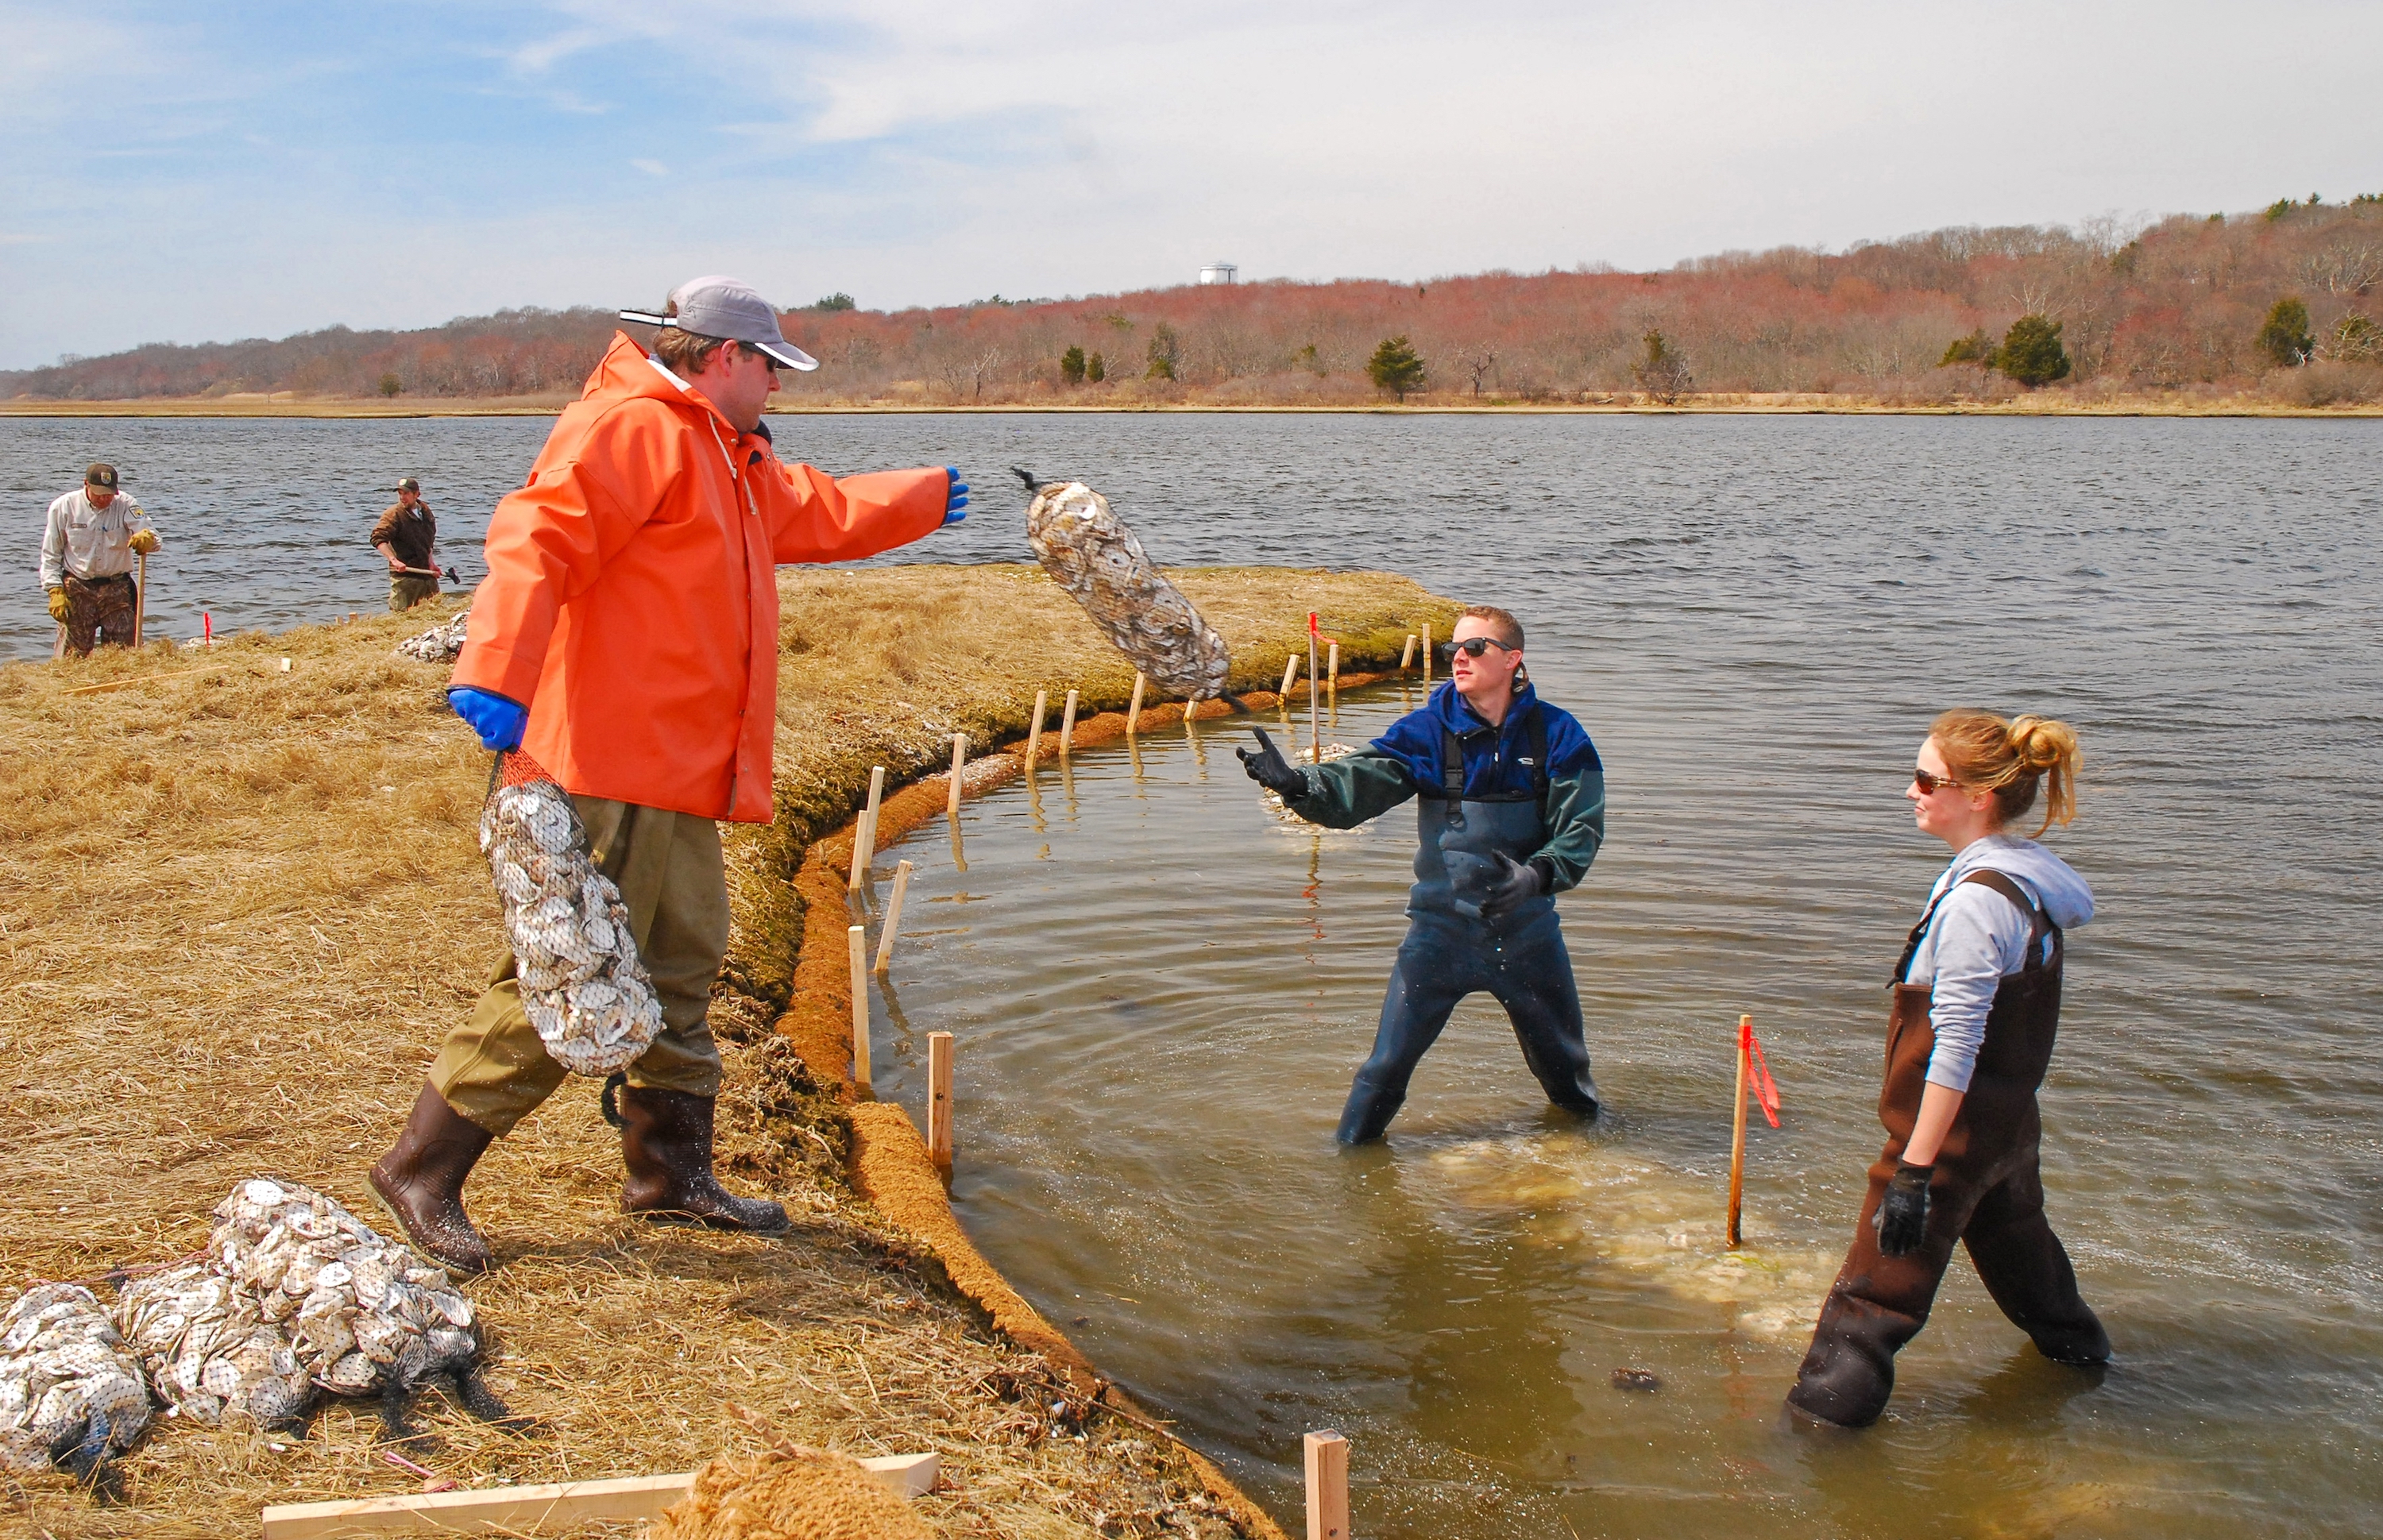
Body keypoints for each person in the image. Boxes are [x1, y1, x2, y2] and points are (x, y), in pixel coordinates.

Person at [369, 274, 971, 1275]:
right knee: (575, 963)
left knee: (684, 958)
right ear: (725, 357)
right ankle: (423, 1168)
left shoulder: (725, 453)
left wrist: (920, 498)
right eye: (772, 367)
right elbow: (537, 536)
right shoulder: (631, 428)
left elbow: (809, 512)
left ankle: (670, 1177)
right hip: (601, 754)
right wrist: (495, 672)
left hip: (677, 767)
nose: (779, 386)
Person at [1786, 709, 2109, 1428]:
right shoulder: (2025, 882)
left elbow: (1954, 1047)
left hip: (1946, 1139)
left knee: (1869, 1306)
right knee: (2035, 1277)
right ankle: (2091, 1375)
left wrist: (1913, 1174)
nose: (1911, 790)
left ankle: (1808, 1452)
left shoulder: (1974, 904)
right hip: (2006, 1129)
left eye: (1926, 778)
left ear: (1978, 795)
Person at [1238, 605, 1606, 1143]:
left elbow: (1582, 830)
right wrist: (1299, 785)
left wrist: (1536, 876)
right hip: (1439, 937)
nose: (1458, 657)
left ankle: (1588, 1164)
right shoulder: (1427, 730)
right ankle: (1349, 1171)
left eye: (1474, 647)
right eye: (1450, 650)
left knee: (1567, 1078)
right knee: (1382, 1072)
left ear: (1513, 659)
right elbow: (1362, 780)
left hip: (1529, 936)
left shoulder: (1559, 735)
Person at [41, 463, 160, 656]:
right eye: (99, 494)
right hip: (78, 587)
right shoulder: (64, 507)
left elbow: (155, 539)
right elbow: (51, 554)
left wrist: (147, 539)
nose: (104, 498)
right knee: (72, 654)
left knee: (122, 654)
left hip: (117, 589)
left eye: (109, 494)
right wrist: (54, 590)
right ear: (86, 484)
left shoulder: (126, 504)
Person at [373, 477, 442, 612]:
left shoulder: (426, 512)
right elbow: (378, 539)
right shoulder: (393, 514)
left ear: (417, 494)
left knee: (434, 613)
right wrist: (394, 560)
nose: (402, 497)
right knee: (401, 616)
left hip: (426, 574)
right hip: (404, 578)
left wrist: (431, 562)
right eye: (400, 494)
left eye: (406, 493)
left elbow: (428, 541)